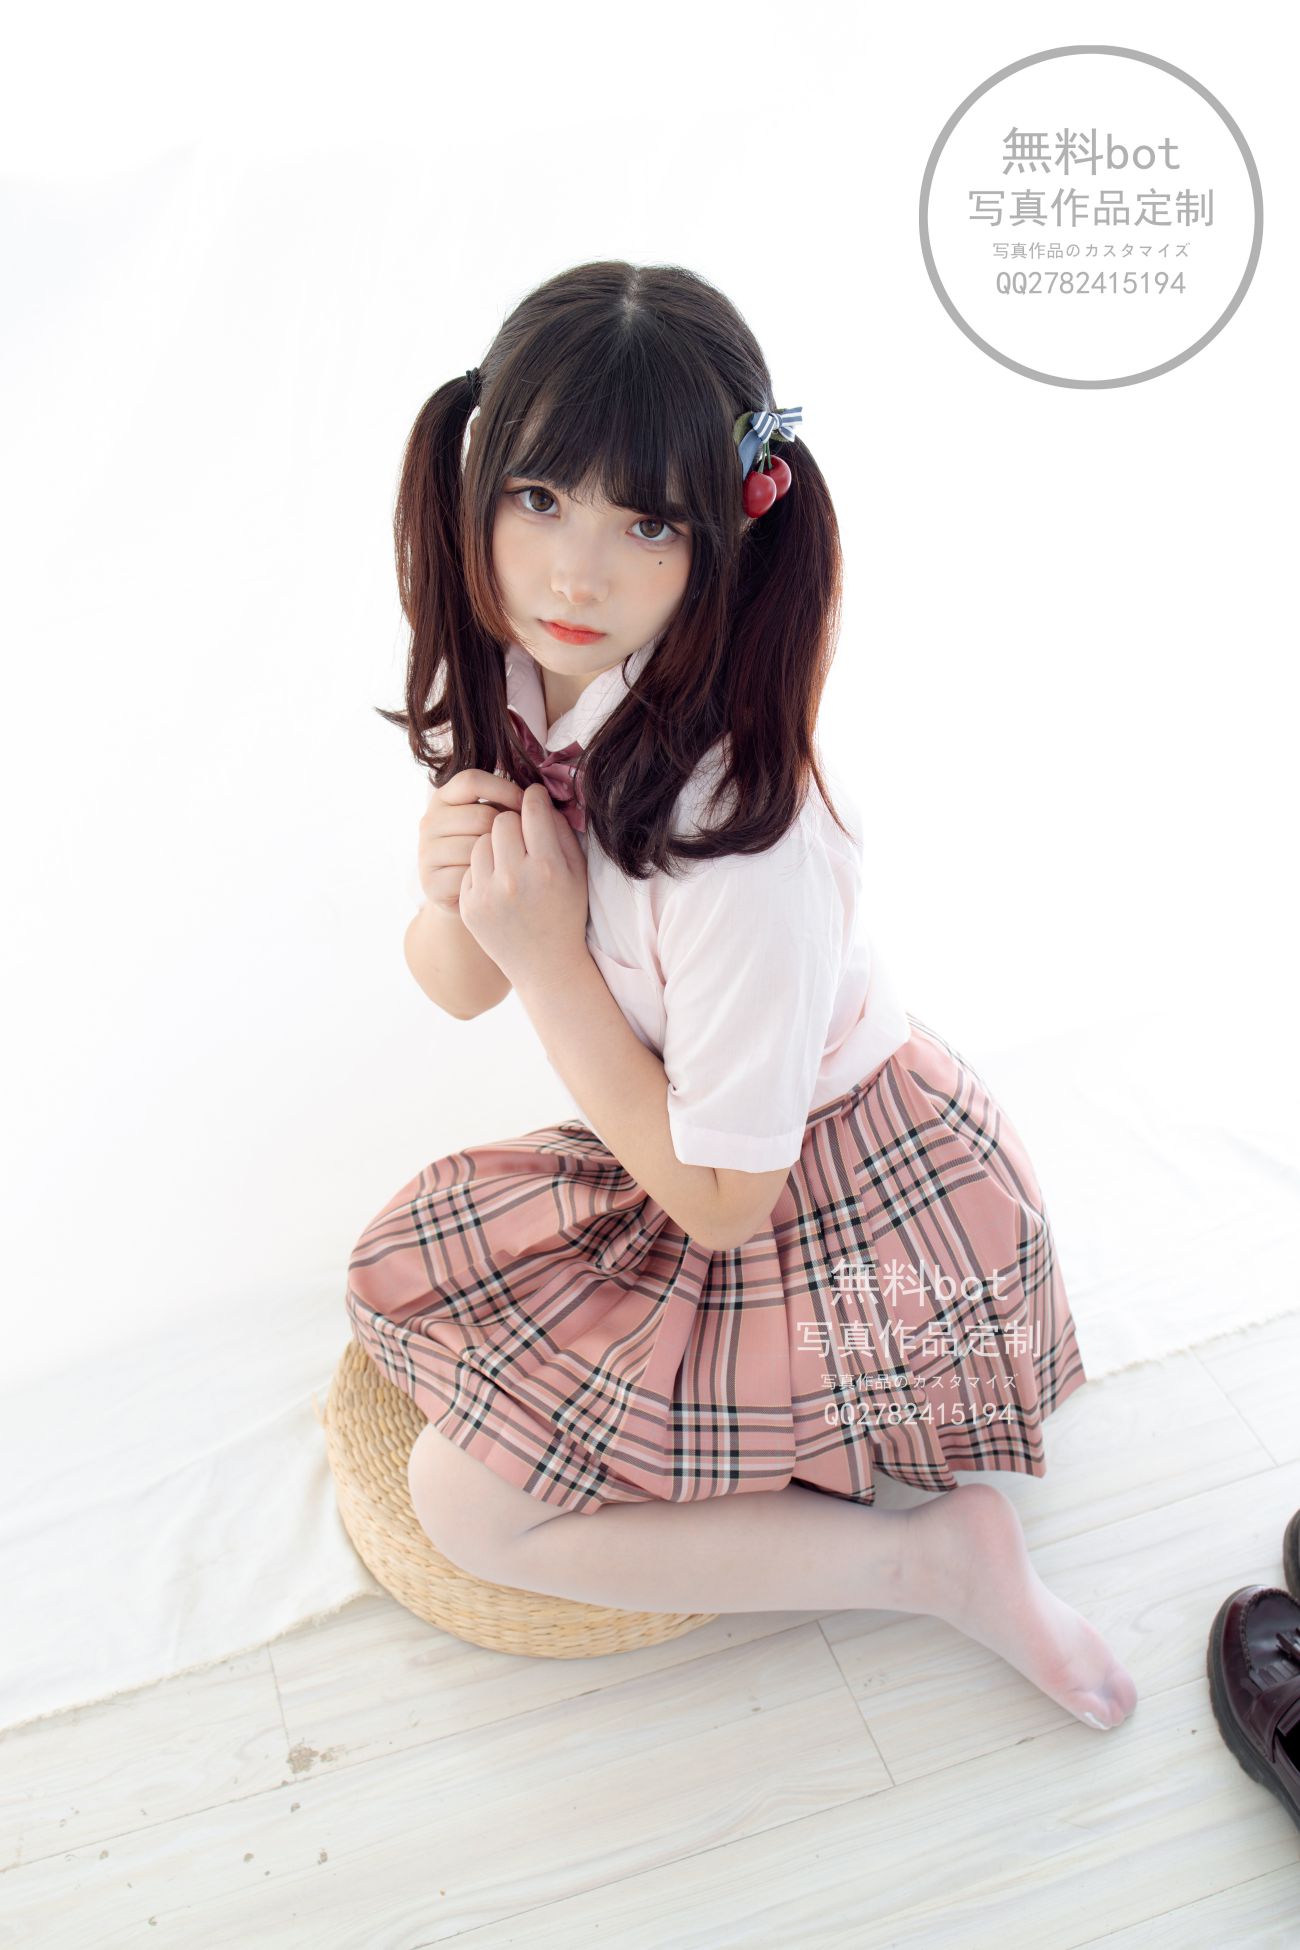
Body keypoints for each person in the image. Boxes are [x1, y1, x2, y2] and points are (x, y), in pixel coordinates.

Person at [345, 260, 1137, 1735]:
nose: (576, 574)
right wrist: (456, 883)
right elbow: (456, 984)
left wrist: (548, 958)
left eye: (645, 523)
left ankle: (929, 1563)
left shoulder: (747, 845)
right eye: (539, 499)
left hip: (840, 1202)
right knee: (413, 1265)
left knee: (466, 1502)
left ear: (724, 533)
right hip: (703, 1137)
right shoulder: (545, 678)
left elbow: (722, 1202)